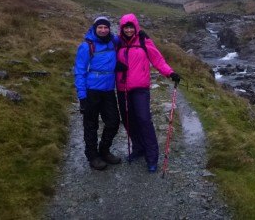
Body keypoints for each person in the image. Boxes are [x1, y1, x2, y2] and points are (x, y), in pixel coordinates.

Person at [115, 13, 181, 173]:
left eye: (131, 27)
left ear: (136, 27)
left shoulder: (144, 41)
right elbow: (107, 58)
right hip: (122, 89)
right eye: (126, 27)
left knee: (144, 120)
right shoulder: (117, 43)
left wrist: (170, 73)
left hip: (140, 89)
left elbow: (158, 60)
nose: (129, 30)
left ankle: (152, 157)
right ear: (122, 29)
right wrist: (116, 64)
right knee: (128, 121)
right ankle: (139, 148)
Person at [74, 16, 121, 170]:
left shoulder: (113, 41)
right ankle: (93, 156)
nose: (103, 30)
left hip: (108, 90)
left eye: (105, 27)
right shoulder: (87, 46)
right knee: (91, 125)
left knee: (113, 122)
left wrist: (141, 35)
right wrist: (82, 96)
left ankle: (104, 150)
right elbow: (79, 72)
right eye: (99, 27)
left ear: (109, 28)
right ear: (95, 28)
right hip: (92, 91)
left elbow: (128, 39)